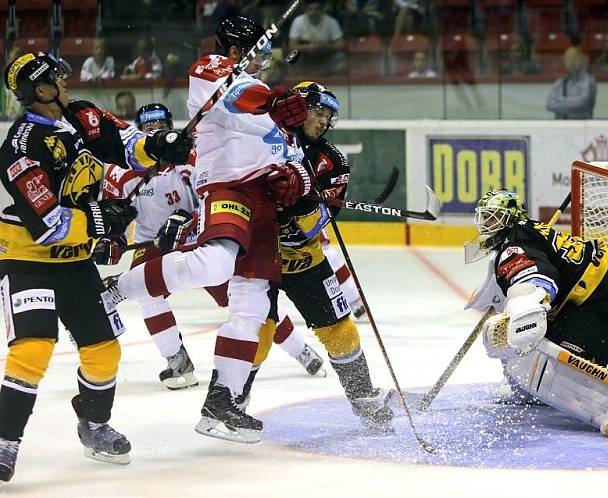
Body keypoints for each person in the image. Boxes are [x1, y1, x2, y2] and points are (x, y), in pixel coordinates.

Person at [102, 15, 311, 444]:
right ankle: (118, 288)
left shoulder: (272, 107)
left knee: (252, 306)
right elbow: (239, 97)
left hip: (264, 204)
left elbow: (294, 159)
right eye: (261, 53)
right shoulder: (210, 70)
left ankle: (222, 404)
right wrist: (274, 101)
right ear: (237, 51)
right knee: (215, 262)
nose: (268, 62)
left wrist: (297, 181)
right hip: (227, 186)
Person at [0, 52, 193, 482]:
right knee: (33, 347)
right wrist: (104, 221)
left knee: (104, 351)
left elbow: (125, 145)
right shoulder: (20, 146)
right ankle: (5, 439)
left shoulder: (83, 115)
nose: (66, 80)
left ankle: (94, 423)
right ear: (40, 90)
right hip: (27, 257)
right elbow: (48, 224)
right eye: (56, 77)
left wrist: (160, 146)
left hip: (76, 261)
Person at [98, 103, 328, 387]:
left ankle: (299, 350)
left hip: (199, 238)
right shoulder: (120, 173)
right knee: (148, 294)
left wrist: (191, 221)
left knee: (246, 302)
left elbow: (214, 199)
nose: (156, 132)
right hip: (153, 244)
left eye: (161, 126)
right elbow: (114, 221)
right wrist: (111, 241)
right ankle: (177, 361)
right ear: (140, 132)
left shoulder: (194, 156)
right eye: (149, 128)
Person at [236, 81, 392, 432]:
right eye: (318, 112)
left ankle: (363, 397)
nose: (323, 122)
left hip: (304, 258)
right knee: (257, 331)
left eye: (329, 117)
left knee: (341, 331)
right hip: (258, 257)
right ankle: (233, 401)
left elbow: (320, 221)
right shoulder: (259, 139)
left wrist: (300, 205)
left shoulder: (332, 161)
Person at [466, 189, 608, 436]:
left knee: (533, 343)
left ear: (509, 218)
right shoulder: (523, 233)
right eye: (485, 217)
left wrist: (525, 309)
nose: (486, 223)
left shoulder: (514, 246)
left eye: (494, 217)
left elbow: (537, 280)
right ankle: (526, 387)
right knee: (526, 339)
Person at [288, 0, 348, 75]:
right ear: (305, 10)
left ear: (322, 10)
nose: (313, 12)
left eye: (317, 9)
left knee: (341, 59)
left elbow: (341, 44)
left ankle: (335, 83)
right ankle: (299, 83)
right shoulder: (298, 21)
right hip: (305, 55)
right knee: (292, 58)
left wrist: (326, 46)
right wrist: (307, 47)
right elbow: (292, 45)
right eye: (310, 9)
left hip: (327, 54)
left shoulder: (331, 22)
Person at [546, 47, 596, 119]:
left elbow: (583, 103)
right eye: (568, 59)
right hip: (560, 127)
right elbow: (549, 105)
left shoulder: (589, 81)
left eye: (575, 58)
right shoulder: (559, 83)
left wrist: (560, 101)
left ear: (581, 60)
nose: (571, 62)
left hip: (582, 127)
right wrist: (572, 104)